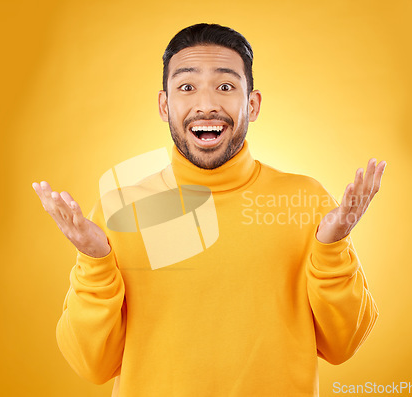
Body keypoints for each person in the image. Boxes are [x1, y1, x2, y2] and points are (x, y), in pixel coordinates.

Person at [32, 23, 386, 397]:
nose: (206, 104)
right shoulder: (121, 210)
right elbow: (92, 365)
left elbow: (343, 345)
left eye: (225, 86)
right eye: (187, 87)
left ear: (252, 104)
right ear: (164, 104)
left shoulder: (305, 200)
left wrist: (332, 250)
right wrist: (95, 263)